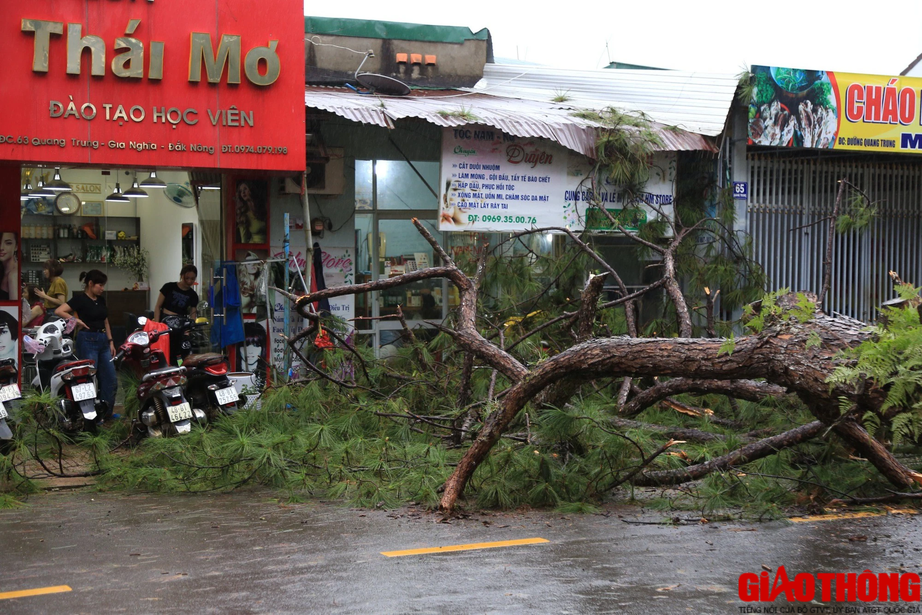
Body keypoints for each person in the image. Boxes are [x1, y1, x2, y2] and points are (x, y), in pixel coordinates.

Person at [55, 270, 117, 420]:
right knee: (88, 379)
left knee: (110, 378)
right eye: (100, 285)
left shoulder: (101, 300)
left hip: (103, 340)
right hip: (87, 339)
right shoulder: (80, 299)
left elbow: (106, 321)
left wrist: (111, 341)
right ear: (90, 284)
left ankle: (106, 413)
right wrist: (75, 320)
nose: (102, 288)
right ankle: (89, 415)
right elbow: (59, 310)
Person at [0, 232, 18, 301]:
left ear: (16, 246)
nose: (1, 248)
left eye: (8, 243)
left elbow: (14, 309)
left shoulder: (13, 275)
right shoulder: (3, 270)